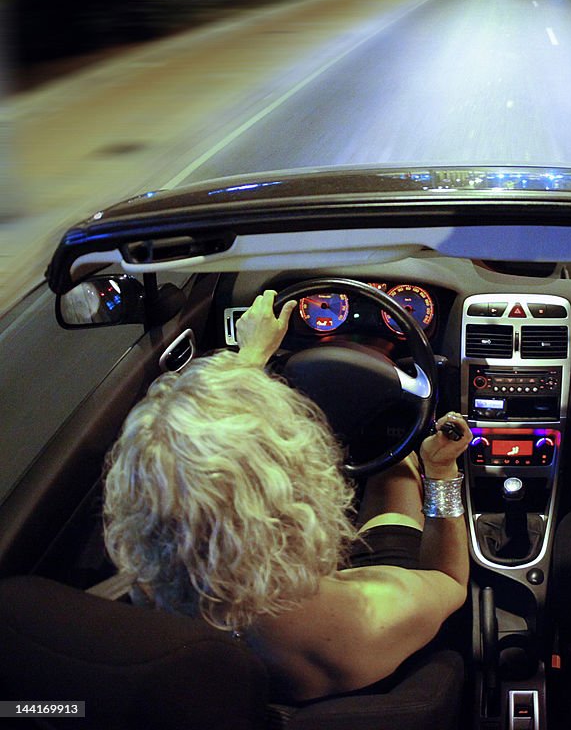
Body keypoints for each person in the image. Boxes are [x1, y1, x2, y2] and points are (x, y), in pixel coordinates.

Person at [103, 289, 470, 702]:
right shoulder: (369, 617)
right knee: (394, 468)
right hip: (344, 613)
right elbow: (449, 582)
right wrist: (440, 471)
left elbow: (200, 463)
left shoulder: (148, 596)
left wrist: (251, 357)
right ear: (294, 493)